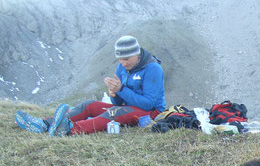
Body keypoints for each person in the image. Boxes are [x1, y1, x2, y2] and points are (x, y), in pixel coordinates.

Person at [15, 35, 166, 136]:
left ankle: (69, 129)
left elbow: (148, 104)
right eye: (120, 59)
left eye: (127, 58)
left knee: (113, 113)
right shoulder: (122, 68)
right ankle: (45, 123)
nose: (123, 63)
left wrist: (121, 89)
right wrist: (114, 94)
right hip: (128, 108)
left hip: (151, 113)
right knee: (89, 105)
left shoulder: (153, 69)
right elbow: (119, 103)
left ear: (137, 54)